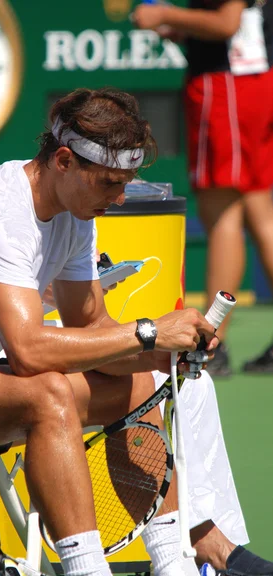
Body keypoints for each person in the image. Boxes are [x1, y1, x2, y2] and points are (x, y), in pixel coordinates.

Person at [0, 86, 272, 576]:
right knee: (50, 394)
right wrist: (148, 331)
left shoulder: (73, 212)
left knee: (140, 383)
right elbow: (29, 352)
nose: (120, 197)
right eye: (110, 183)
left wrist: (167, 350)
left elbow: (92, 326)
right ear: (64, 160)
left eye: (125, 183)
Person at [131, 0, 273, 376]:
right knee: (260, 214)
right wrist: (187, 30)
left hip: (227, 89)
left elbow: (227, 22)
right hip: (247, 84)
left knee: (224, 216)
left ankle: (213, 343)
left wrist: (164, 15)